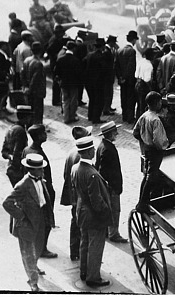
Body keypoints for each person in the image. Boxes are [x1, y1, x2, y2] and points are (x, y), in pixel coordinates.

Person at [2, 154, 55, 292]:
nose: (43, 171)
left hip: (40, 220)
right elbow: (7, 203)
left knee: (37, 248)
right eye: (40, 169)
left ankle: (34, 268)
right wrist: (22, 216)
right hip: (27, 224)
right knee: (28, 254)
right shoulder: (22, 185)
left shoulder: (40, 180)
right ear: (32, 170)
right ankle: (33, 282)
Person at [71, 136, 112, 287]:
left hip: (81, 212)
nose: (95, 150)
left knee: (85, 243)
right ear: (88, 152)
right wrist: (106, 211)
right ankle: (93, 277)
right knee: (95, 246)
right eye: (92, 149)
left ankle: (84, 271)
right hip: (94, 216)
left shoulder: (75, 168)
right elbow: (97, 201)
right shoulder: (92, 174)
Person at [22, 124, 57, 259]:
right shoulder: (37, 154)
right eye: (43, 133)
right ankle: (42, 249)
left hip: (35, 192)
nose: (46, 135)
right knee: (45, 221)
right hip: (43, 192)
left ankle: (39, 247)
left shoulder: (27, 150)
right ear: (37, 137)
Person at [133, 91, 170, 214]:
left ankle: (141, 200)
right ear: (156, 103)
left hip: (147, 150)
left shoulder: (144, 115)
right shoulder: (156, 120)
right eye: (160, 101)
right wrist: (165, 146)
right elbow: (159, 141)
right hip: (155, 151)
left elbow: (135, 132)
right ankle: (143, 203)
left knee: (147, 175)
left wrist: (144, 141)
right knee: (152, 176)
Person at [60, 126, 92, 262]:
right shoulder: (81, 156)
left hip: (72, 195)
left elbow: (65, 174)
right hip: (79, 196)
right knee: (81, 225)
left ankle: (74, 251)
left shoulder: (70, 152)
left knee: (75, 222)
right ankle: (80, 252)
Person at [95, 121, 128, 243]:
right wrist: (111, 185)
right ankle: (114, 233)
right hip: (112, 186)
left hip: (108, 185)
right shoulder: (108, 149)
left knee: (109, 209)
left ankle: (107, 231)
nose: (117, 134)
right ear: (110, 134)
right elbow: (103, 170)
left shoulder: (102, 145)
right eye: (115, 132)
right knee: (114, 210)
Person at [2, 105, 34, 187]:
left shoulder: (11, 128)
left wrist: (10, 157)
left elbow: (4, 152)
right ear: (26, 117)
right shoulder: (21, 132)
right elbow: (18, 153)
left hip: (10, 168)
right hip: (17, 171)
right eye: (30, 116)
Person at [54, 41, 83, 124]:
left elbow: (56, 72)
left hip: (63, 84)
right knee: (73, 101)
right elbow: (79, 73)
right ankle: (72, 116)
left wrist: (60, 79)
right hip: (73, 84)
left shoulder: (60, 59)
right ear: (73, 48)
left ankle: (66, 118)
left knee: (65, 101)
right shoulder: (75, 60)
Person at [116, 31, 138, 124]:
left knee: (123, 97)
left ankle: (124, 116)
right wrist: (125, 77)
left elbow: (116, 66)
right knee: (130, 98)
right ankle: (130, 117)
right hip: (129, 80)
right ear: (133, 40)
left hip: (122, 80)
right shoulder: (132, 51)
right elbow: (130, 67)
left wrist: (120, 77)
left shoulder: (119, 50)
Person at [22, 42, 46, 125]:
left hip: (28, 90)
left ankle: (29, 124)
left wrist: (25, 87)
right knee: (38, 111)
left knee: (30, 109)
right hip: (37, 91)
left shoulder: (26, 60)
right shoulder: (38, 64)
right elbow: (35, 79)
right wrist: (30, 89)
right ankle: (37, 126)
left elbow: (22, 75)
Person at [102, 35, 118, 116]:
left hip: (108, 76)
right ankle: (106, 109)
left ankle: (108, 107)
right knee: (107, 93)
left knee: (109, 93)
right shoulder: (106, 51)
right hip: (107, 77)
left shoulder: (108, 50)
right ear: (111, 42)